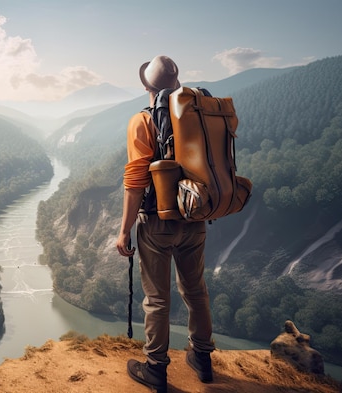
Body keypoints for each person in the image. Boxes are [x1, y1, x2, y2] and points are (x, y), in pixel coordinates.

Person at [116, 55, 215, 392]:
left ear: (146, 85)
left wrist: (123, 229)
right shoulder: (199, 115)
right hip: (196, 215)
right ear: (176, 82)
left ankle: (156, 368)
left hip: (157, 223)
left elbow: (135, 181)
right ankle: (203, 358)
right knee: (196, 291)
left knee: (157, 299)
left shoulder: (142, 121)